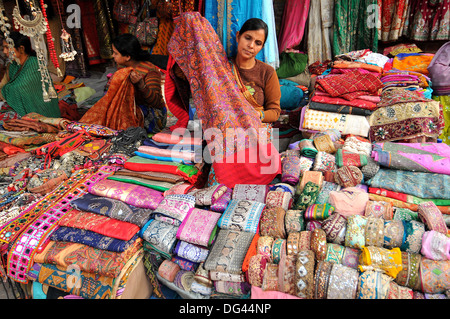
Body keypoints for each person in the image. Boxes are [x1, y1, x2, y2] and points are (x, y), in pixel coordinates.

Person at [80, 33, 167, 132]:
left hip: (153, 116)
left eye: (115, 53)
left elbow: (155, 102)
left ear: (127, 57)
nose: (113, 56)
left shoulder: (150, 71)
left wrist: (141, 85)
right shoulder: (123, 68)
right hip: (133, 108)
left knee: (119, 114)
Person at [0, 32, 61, 121]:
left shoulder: (36, 64)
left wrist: (6, 91)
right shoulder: (12, 65)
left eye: (7, 47)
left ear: (21, 48)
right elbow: (2, 86)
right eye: (3, 48)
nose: (4, 51)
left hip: (42, 113)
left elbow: (18, 89)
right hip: (19, 108)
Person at [231, 18, 281, 124]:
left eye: (258, 43)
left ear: (262, 47)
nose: (251, 46)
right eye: (248, 38)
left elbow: (275, 112)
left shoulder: (267, 72)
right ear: (238, 36)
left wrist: (257, 115)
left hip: (256, 128)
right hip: (228, 127)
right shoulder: (224, 68)